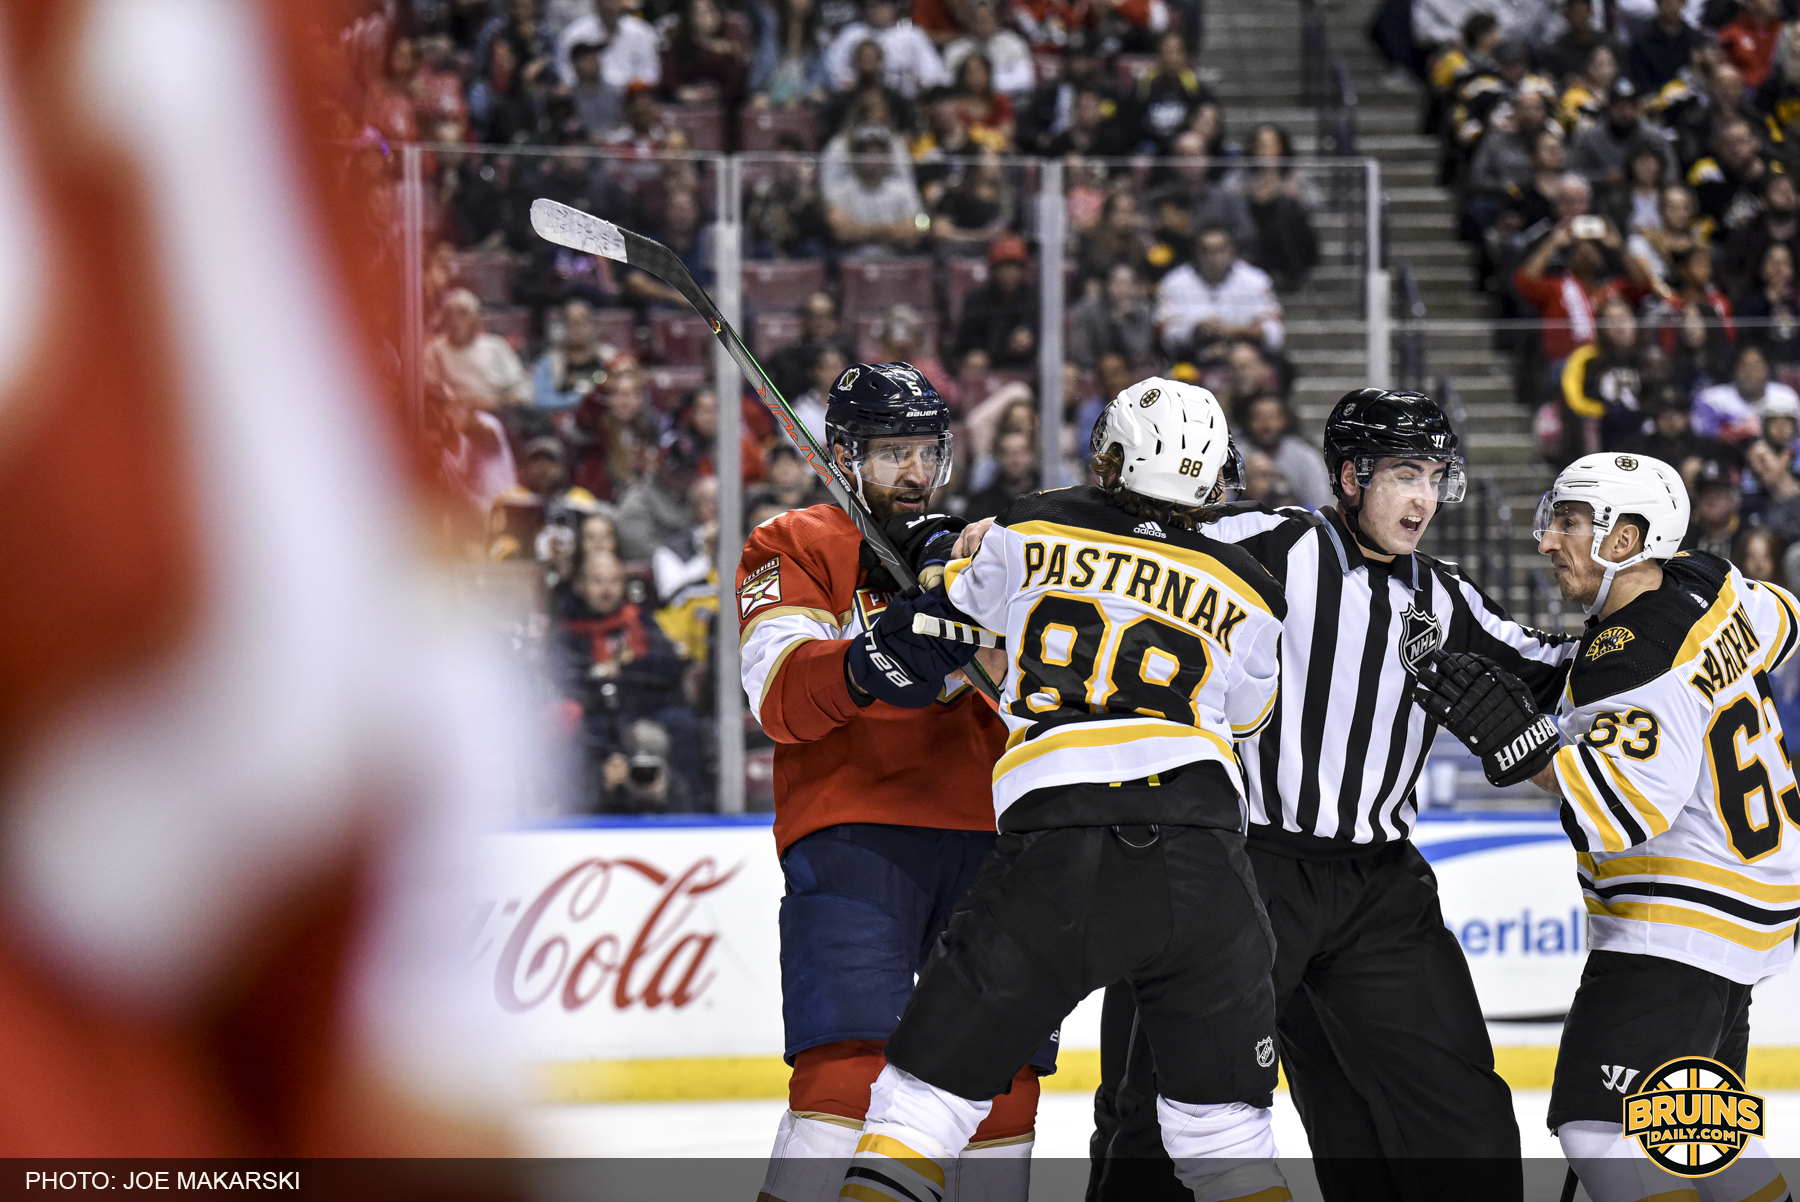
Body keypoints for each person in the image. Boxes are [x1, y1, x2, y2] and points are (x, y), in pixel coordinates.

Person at [1091, 389, 1579, 1202]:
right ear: (1351, 477)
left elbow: (1557, 665)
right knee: (1161, 1113)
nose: (1424, 498)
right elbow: (1121, 537)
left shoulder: (1447, 599)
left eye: (1435, 477)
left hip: (1380, 894)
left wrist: (1664, 620)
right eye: (1405, 474)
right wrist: (995, 531)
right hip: (1244, 874)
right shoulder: (1265, 543)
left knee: (1460, 1122)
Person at [841, 379, 1292, 1202]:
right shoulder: (1254, 587)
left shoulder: (1032, 524)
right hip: (1207, 864)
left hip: (1061, 845)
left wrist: (929, 566)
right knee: (1226, 1140)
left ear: (1111, 456)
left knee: (921, 1107)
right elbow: (1247, 717)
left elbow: (930, 638)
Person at [1421, 455, 1798, 1202]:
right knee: (1700, 1140)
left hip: (1678, 921)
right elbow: (1783, 618)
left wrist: (1528, 750)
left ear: (1624, 540)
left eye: (1567, 522)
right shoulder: (1711, 582)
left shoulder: (1625, 664)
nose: (1547, 540)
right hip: (1756, 905)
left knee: (1600, 1133)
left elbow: (1624, 815)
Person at [740, 362, 1052, 1202]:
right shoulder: (794, 543)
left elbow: (1033, 690)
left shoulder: (986, 548)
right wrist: (872, 660)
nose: (915, 473)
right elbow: (779, 698)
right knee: (848, 1067)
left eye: (928, 453)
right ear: (843, 456)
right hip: (853, 831)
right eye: (891, 454)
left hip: (990, 834)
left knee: (1004, 1071)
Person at [1154, 225, 1285, 361]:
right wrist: (1194, 329)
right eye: (1206, 251)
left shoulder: (1256, 280)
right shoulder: (1173, 283)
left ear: (1232, 250)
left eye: (1220, 250)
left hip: (1246, 354)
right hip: (1192, 357)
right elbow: (1164, 334)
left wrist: (1238, 331)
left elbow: (1275, 333)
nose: (1214, 257)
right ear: (1196, 252)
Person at [824, 123, 928, 254]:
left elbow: (916, 230)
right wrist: (890, 231)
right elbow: (842, 232)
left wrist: (859, 230)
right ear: (855, 155)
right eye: (866, 152)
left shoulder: (903, 191)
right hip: (853, 260)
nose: (872, 160)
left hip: (897, 260)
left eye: (878, 152)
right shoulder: (841, 190)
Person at [424, 287, 533, 408]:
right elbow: (430, 389)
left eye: (463, 314)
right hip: (455, 412)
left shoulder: (496, 346)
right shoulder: (435, 350)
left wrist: (497, 402)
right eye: (449, 315)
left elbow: (523, 390)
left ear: (476, 318)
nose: (455, 322)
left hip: (499, 410)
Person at [824, 0, 949, 98]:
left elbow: (933, 75)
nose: (875, 10)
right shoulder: (850, 35)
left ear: (893, 7)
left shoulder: (912, 35)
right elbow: (835, 73)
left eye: (881, 4)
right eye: (870, 5)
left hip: (908, 100)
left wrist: (922, 83)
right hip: (860, 101)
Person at [953, 235, 1037, 371]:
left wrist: (1028, 335)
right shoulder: (977, 299)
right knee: (975, 361)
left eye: (1015, 267)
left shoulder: (1033, 297)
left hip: (1026, 360)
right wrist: (1000, 347)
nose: (1010, 273)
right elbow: (967, 341)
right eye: (1004, 267)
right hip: (989, 357)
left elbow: (1040, 331)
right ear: (994, 270)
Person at [1237, 394, 1332, 509]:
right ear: (1247, 421)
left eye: (1272, 417)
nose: (1266, 425)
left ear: (1285, 420)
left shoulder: (1305, 456)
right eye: (1258, 418)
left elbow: (1320, 503)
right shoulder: (1235, 455)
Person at [1695, 341, 1795, 445]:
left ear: (1767, 369)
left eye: (1756, 366)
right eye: (1745, 367)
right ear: (1735, 369)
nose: (1750, 373)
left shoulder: (1785, 397)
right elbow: (1703, 436)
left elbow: (1796, 440)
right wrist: (1740, 431)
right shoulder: (1711, 400)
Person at [1070, 262, 1158, 370]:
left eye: (1127, 283)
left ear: (1135, 287)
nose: (1122, 288)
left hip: (1132, 368)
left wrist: (1123, 321)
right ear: (1107, 285)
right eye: (1117, 282)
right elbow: (1082, 346)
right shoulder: (1091, 308)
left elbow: (1140, 350)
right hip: (1095, 366)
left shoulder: (1143, 311)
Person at [533, 300, 617, 410]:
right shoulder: (550, 361)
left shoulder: (610, 357)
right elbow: (542, 400)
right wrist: (582, 399)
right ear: (562, 327)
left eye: (583, 322)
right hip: (561, 417)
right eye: (571, 323)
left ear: (593, 325)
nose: (577, 329)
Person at [959, 427, 1037, 519]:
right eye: (1008, 453)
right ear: (998, 457)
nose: (1015, 460)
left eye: (1021, 452)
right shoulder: (981, 502)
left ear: (1032, 455)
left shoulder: (1046, 492)